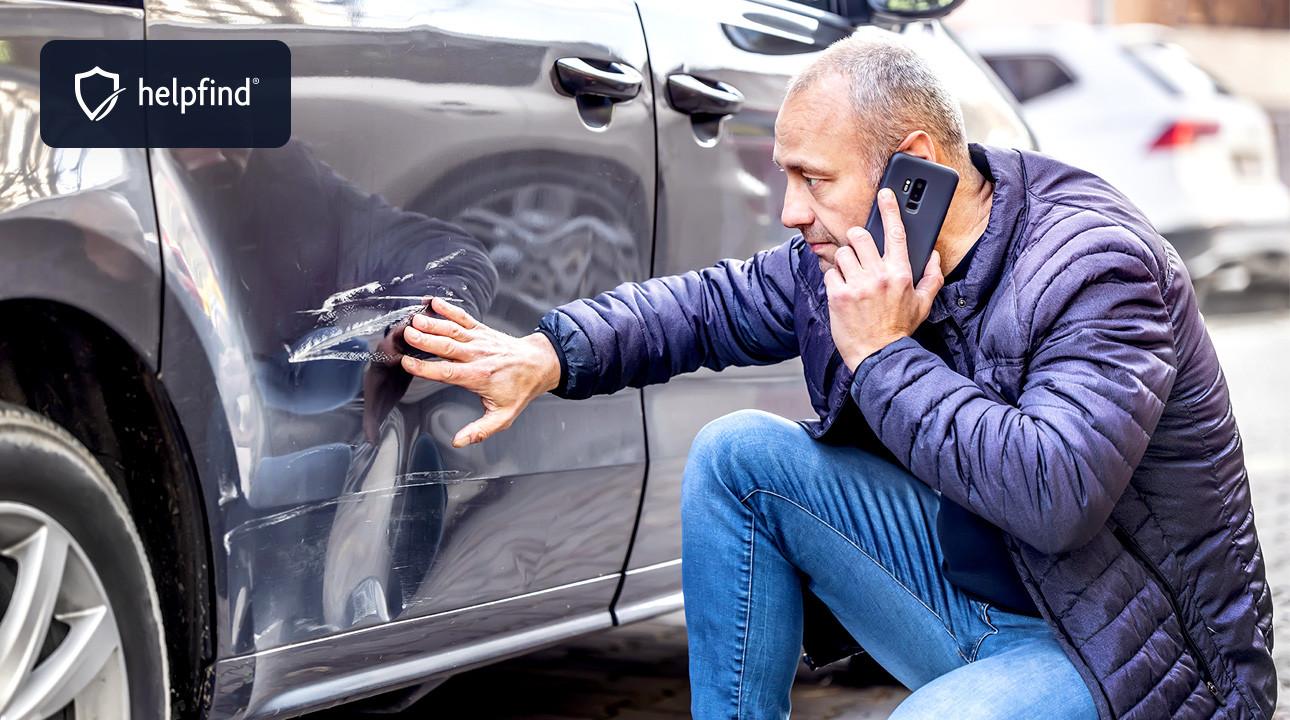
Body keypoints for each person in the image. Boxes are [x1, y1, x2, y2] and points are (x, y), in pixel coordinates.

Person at [395, 28, 1275, 720]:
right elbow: (707, 306)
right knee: (739, 455)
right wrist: (547, 356)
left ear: (915, 165)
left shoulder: (1095, 266)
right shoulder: (857, 250)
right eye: (786, 176)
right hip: (975, 606)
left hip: (1125, 659)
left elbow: (1055, 494)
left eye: (814, 179)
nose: (790, 212)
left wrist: (884, 355)